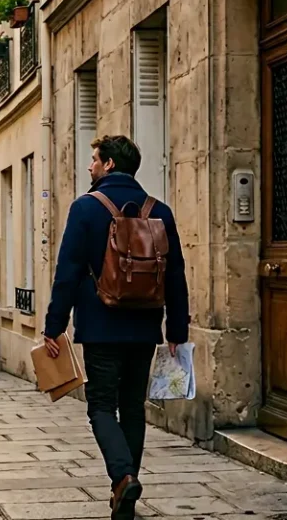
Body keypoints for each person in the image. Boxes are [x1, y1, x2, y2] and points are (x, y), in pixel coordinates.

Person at [43, 135, 189, 520]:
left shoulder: (86, 209)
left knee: (102, 407)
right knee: (133, 408)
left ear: (108, 164)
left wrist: (54, 325)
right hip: (144, 327)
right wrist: (177, 329)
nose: (90, 166)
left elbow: (68, 273)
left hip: (101, 326)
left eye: (94, 159)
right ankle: (124, 493)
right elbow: (175, 275)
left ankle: (123, 477)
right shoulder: (160, 211)